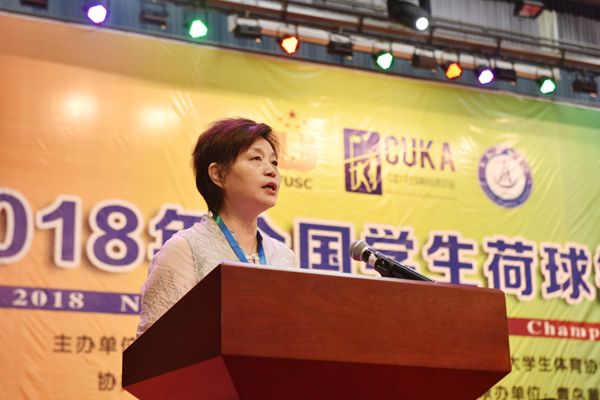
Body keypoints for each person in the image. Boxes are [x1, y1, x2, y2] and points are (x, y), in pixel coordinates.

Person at [136, 118, 296, 337]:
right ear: (218, 175)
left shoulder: (285, 258)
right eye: (256, 158)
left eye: (274, 162)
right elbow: (155, 345)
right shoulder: (185, 249)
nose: (271, 171)